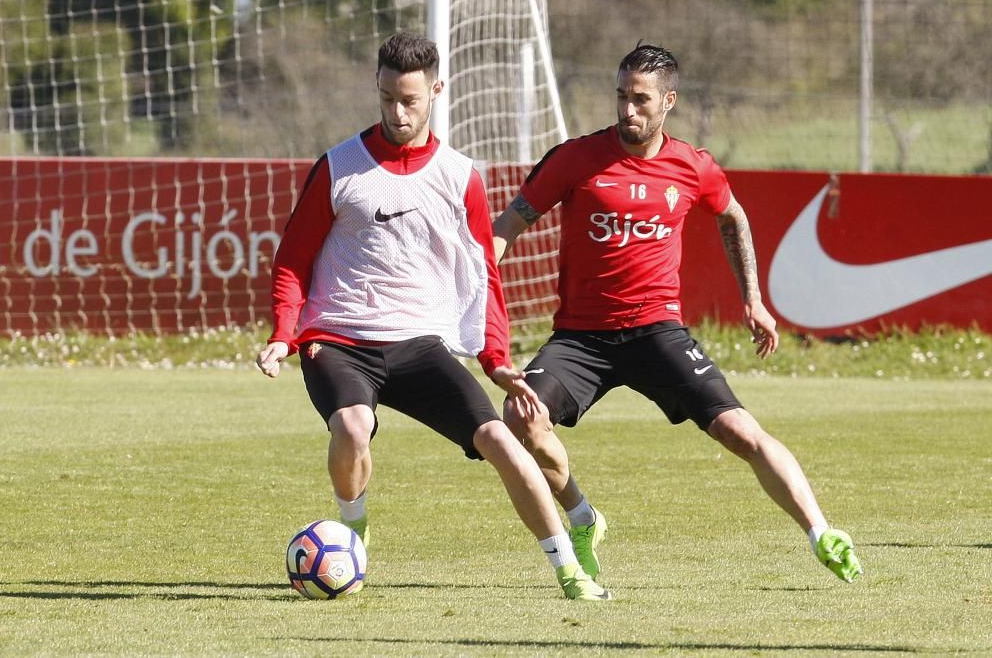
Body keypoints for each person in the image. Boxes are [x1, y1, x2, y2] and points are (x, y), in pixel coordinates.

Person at [255, 32, 609, 601]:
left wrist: (495, 358)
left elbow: (483, 276)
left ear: (436, 91)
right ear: (377, 84)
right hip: (338, 339)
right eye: (389, 97)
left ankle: (570, 570)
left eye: (411, 100)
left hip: (418, 344)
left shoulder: (459, 175)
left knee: (500, 438)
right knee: (351, 426)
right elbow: (292, 260)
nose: (398, 111)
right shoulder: (339, 166)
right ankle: (353, 528)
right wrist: (283, 334)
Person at [492, 43, 863, 585]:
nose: (627, 111)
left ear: (668, 101)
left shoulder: (692, 166)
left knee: (742, 432)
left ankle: (822, 532)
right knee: (518, 417)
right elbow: (508, 226)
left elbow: (734, 219)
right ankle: (582, 516)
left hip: (656, 333)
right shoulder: (574, 158)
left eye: (640, 99)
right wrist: (480, 279)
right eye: (620, 96)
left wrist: (753, 299)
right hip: (580, 338)